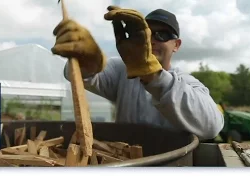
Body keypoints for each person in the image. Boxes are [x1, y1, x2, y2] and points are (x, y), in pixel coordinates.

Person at [51, 5, 224, 140]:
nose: (152, 40)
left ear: (176, 45)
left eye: (162, 35)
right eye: (147, 33)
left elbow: (212, 126)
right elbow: (83, 76)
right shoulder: (122, 69)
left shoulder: (187, 83)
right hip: (125, 160)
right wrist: (87, 61)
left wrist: (152, 75)